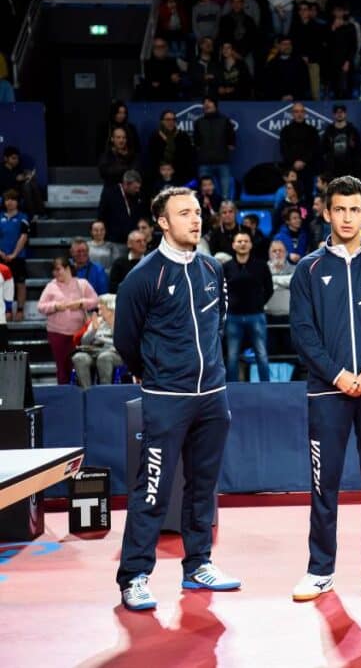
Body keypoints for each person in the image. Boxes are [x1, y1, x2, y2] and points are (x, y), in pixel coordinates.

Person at [113, 186, 238, 611]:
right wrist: (158, 374)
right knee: (153, 489)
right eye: (184, 213)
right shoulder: (143, 277)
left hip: (213, 396)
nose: (196, 219)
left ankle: (198, 564)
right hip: (166, 397)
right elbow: (126, 341)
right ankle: (134, 576)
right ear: (163, 223)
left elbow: (218, 324)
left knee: (203, 487)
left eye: (198, 211)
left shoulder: (212, 269)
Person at [289, 175, 361, 601]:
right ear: (326, 213)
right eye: (339, 209)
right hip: (327, 391)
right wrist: (338, 375)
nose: (347, 217)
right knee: (325, 483)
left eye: (354, 209)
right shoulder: (308, 269)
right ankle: (320, 569)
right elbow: (302, 332)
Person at [38, 257, 99, 384]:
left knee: (78, 365)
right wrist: (55, 306)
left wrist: (81, 303)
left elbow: (95, 300)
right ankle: (64, 394)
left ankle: (81, 392)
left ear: (67, 269)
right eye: (54, 271)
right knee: (62, 367)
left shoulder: (82, 284)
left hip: (79, 334)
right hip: (57, 333)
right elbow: (41, 307)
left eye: (58, 269)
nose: (56, 273)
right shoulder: (51, 286)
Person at [222, 228, 273, 382]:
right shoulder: (226, 267)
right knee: (232, 356)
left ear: (251, 245)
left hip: (256, 315)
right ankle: (231, 389)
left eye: (246, 241)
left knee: (261, 354)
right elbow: (221, 290)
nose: (243, 244)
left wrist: (257, 304)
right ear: (233, 245)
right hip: (232, 317)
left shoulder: (261, 266)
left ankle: (266, 387)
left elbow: (269, 289)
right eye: (239, 241)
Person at [71, 293, 122, 388]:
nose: (99, 313)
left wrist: (112, 325)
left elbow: (122, 344)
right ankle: (87, 393)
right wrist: (93, 330)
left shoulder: (122, 322)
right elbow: (84, 342)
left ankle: (104, 391)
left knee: (104, 357)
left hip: (115, 355)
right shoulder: (97, 321)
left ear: (111, 310)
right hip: (94, 352)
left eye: (102, 309)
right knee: (79, 357)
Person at [193, 96, 236, 199]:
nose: (207, 104)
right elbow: (196, 143)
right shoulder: (198, 122)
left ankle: (225, 213)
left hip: (222, 162)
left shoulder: (225, 121)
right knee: (205, 195)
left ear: (215, 104)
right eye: (205, 102)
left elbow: (231, 142)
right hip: (204, 163)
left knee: (226, 195)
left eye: (210, 101)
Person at [0, 189, 28, 320]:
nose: (9, 202)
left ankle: (20, 310)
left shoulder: (23, 217)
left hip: (18, 256)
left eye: (12, 199)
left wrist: (14, 254)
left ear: (17, 202)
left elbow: (23, 237)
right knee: (3, 284)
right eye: (7, 199)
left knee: (20, 283)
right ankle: (7, 310)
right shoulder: (0, 217)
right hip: (1, 257)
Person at [98, 170, 146, 244]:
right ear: (126, 184)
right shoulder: (110, 194)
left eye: (138, 188)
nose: (137, 190)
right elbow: (101, 216)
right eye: (135, 188)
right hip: (114, 240)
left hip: (133, 240)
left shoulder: (137, 196)